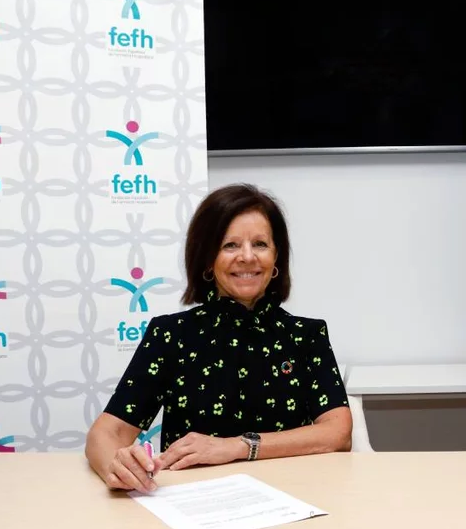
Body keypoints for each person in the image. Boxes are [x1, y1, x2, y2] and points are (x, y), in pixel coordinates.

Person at [85, 184, 352, 493]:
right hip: (191, 508)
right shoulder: (170, 335)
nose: (248, 257)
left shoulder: (307, 336)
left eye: (261, 244)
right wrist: (116, 467)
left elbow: (338, 432)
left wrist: (237, 447)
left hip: (293, 495)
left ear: (277, 256)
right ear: (207, 257)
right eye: (230, 245)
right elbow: (106, 432)